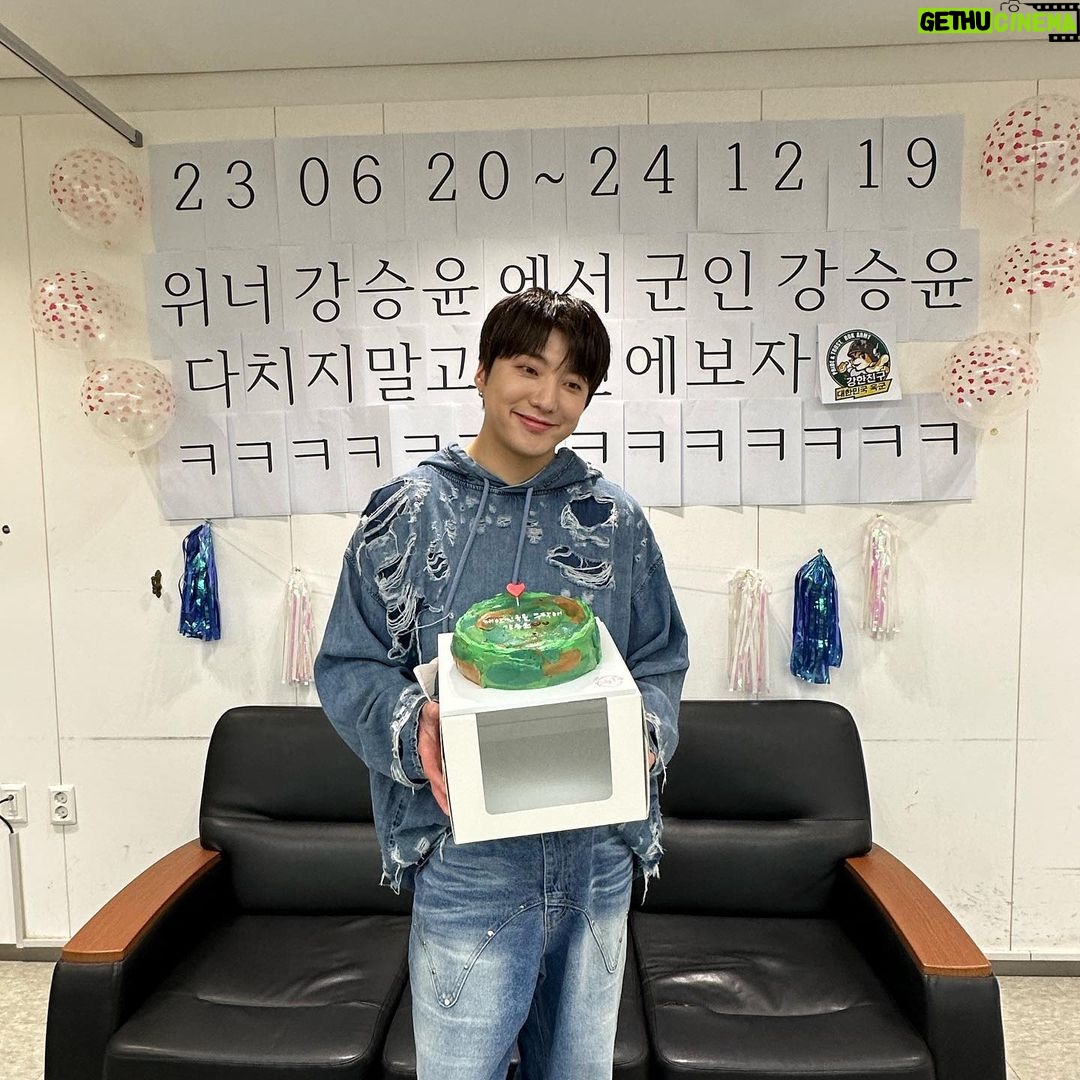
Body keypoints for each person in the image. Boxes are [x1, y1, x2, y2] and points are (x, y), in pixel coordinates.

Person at [314, 287, 689, 1080]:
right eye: (528, 368)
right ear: (482, 373)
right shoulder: (406, 514)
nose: (547, 398)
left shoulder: (614, 520)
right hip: (466, 859)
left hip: (596, 853)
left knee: (578, 1069)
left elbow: (659, 656)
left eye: (573, 382)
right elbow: (350, 662)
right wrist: (415, 724)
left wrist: (645, 733)